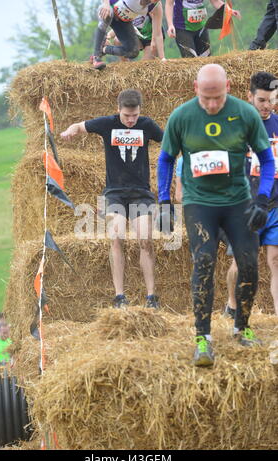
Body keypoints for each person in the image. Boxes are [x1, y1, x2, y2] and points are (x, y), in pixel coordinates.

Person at [158, 63, 275, 367]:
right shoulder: (182, 117)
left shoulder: (246, 114)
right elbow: (166, 160)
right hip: (200, 202)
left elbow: (267, 159)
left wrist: (262, 200)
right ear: (195, 89)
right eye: (206, 98)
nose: (212, 105)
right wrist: (163, 201)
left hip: (238, 201)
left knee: (249, 264)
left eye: (218, 98)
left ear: (230, 89)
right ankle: (202, 337)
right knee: (205, 260)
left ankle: (242, 327)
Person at [61, 89, 163, 308]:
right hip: (114, 192)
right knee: (116, 237)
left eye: (134, 115)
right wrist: (70, 130)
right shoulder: (107, 124)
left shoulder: (146, 125)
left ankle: (151, 296)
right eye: (126, 116)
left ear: (139, 111)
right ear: (118, 110)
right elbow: (80, 126)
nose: (130, 120)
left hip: (141, 193)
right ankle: (119, 296)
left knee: (145, 239)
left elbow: (170, 140)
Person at [225, 72, 278, 318]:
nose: (268, 106)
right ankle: (232, 307)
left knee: (275, 260)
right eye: (262, 101)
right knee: (241, 262)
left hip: (274, 204)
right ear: (250, 97)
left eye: (272, 100)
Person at [91, 0, 161, 69]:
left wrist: (162, 58)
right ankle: (96, 57)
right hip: (110, 8)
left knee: (133, 52)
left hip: (124, 21)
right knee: (107, 14)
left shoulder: (155, 6)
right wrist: (106, 4)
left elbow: (158, 32)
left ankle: (103, 49)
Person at [165, 0, 241, 58]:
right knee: (191, 60)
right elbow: (169, 4)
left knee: (206, 59)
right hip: (183, 28)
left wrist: (229, 11)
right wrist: (170, 25)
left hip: (201, 27)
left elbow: (215, 1)